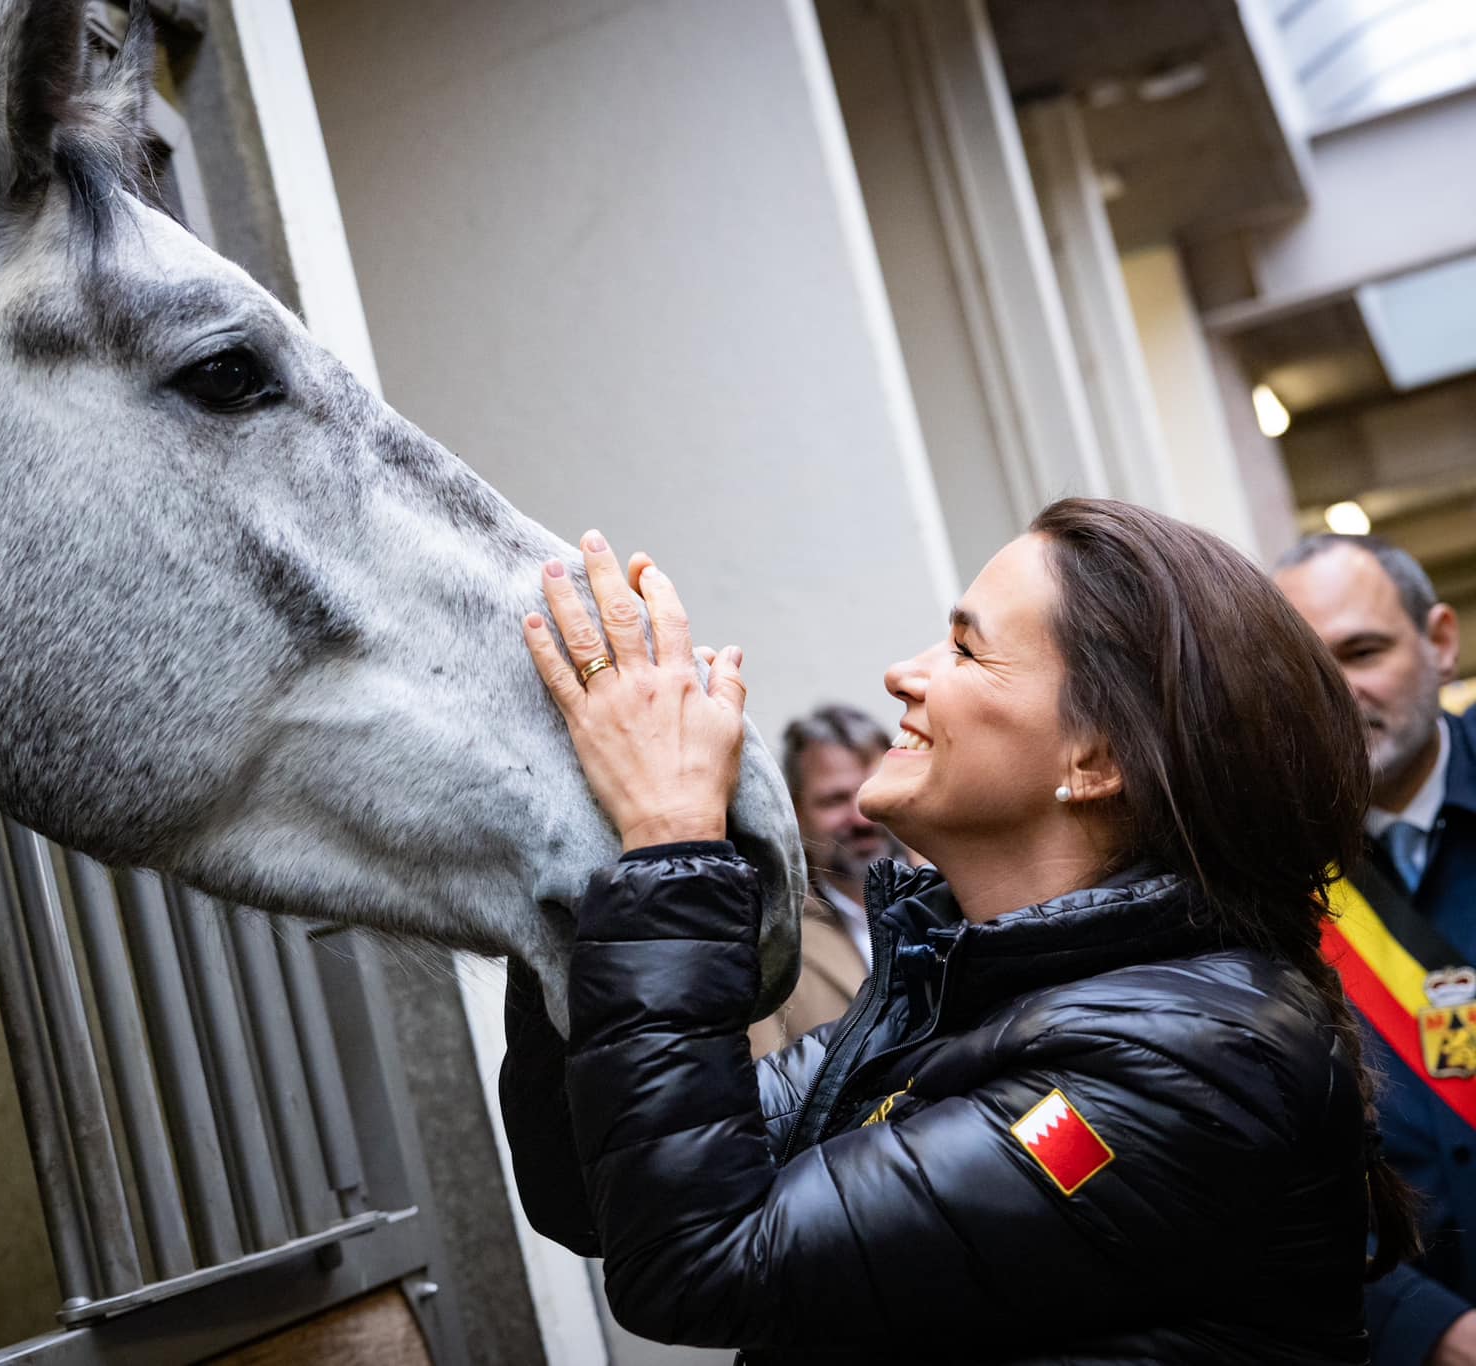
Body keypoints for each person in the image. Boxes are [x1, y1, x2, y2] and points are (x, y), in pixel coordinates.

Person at [500, 499, 1414, 1363]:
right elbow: (595, 1188)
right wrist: (590, 853)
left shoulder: (1185, 1060)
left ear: (1094, 758)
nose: (906, 673)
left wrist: (668, 844)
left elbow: (706, 1261)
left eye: (967, 651)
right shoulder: (963, 994)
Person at [1275, 534, 1473, 1366]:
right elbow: (1256, 1168)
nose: (1338, 696)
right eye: (1304, 674)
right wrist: (1430, 1329)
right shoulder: (1252, 880)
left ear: (1439, 641)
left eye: (1363, 652)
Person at [746, 705, 907, 1055]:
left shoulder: (957, 894)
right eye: (835, 799)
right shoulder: (769, 934)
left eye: (872, 791)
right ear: (795, 813)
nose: (861, 817)